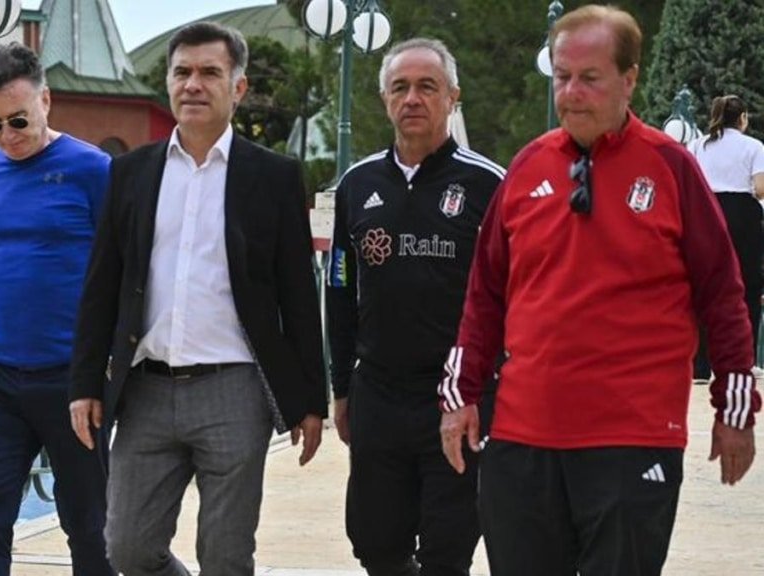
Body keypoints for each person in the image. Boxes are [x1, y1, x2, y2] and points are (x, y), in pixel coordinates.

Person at [439, 6, 760, 576]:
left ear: (629, 79)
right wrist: (461, 394)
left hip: (633, 437)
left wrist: (734, 409)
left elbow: (723, 294)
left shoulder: (671, 167)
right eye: (563, 76)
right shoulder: (527, 167)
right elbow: (484, 295)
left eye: (590, 77)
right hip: (522, 437)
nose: (572, 92)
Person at [68, 21, 326, 576]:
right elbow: (102, 285)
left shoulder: (274, 176)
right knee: (129, 550)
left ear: (238, 87)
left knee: (226, 557)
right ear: (167, 82)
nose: (193, 84)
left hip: (235, 389)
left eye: (210, 72)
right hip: (144, 391)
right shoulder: (130, 173)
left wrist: (311, 399)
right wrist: (85, 382)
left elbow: (298, 294)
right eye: (182, 72)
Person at [327, 38, 502, 576]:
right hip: (378, 393)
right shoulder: (357, 185)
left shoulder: (488, 185)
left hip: (458, 397)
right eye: (400, 87)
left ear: (452, 97)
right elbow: (339, 289)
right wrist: (341, 387)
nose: (412, 99)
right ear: (384, 99)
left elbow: (513, 296)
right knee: (375, 544)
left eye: (427, 86)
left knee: (448, 551)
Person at [0, 43, 113, 576]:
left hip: (75, 380)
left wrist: (105, 363)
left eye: (18, 120)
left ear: (45, 100)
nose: (7, 135)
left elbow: (122, 271)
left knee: (89, 522)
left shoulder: (94, 170)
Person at [687, 94, 764, 380]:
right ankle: (743, 360)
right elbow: (760, 188)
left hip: (707, 213)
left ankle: (701, 364)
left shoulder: (697, 145)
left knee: (704, 284)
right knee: (747, 286)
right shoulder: (753, 146)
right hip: (743, 216)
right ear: (742, 117)